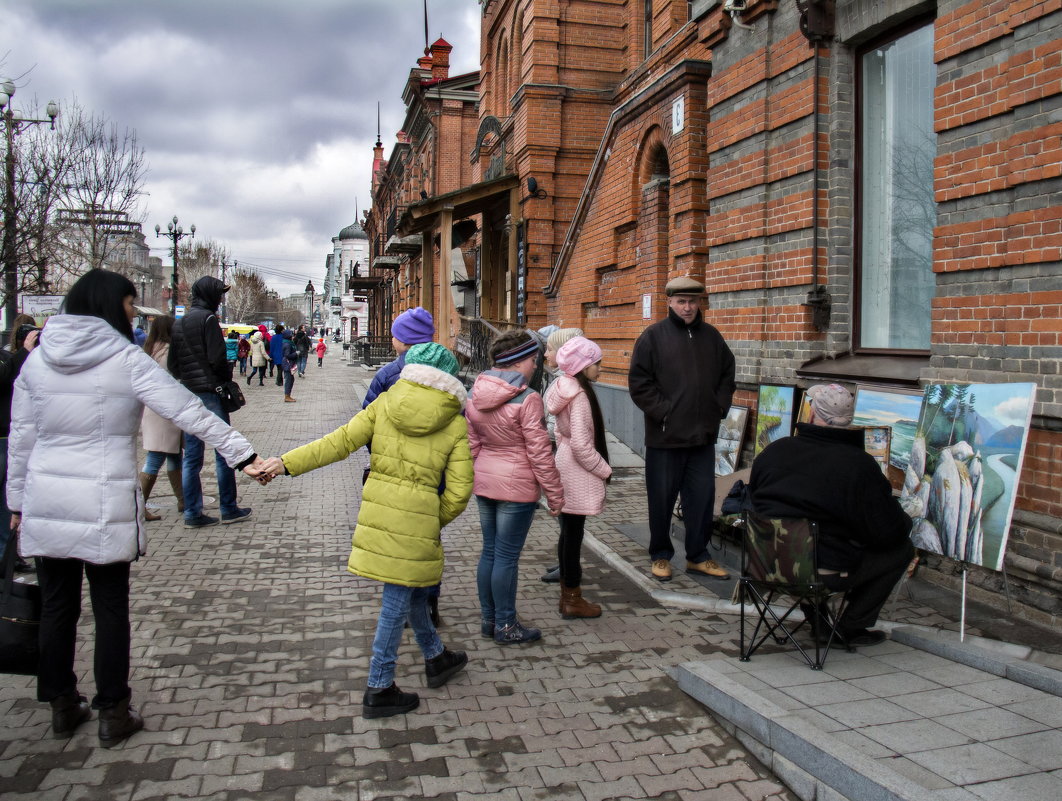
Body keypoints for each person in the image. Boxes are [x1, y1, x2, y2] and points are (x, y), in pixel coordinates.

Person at [7, 269, 267, 747]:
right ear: (109, 307)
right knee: (109, 608)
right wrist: (242, 455)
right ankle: (113, 711)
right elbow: (186, 408)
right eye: (129, 305)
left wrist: (16, 502)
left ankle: (62, 703)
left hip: (46, 497)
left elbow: (22, 437)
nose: (133, 314)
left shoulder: (38, 361)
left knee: (59, 605)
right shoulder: (123, 358)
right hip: (102, 498)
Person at [258, 343, 473, 719]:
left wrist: (285, 463)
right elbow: (459, 490)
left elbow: (338, 443)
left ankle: (436, 656)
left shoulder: (385, 403)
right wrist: (431, 520)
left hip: (380, 513)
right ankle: (380, 685)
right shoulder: (454, 420)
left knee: (412, 590)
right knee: (396, 599)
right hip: (419, 519)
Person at [748, 383, 915, 647]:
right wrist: (905, 520)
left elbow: (753, 501)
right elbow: (887, 533)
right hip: (820, 573)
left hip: (764, 563)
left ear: (812, 414)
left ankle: (819, 622)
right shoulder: (858, 465)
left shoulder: (775, 451)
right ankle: (850, 626)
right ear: (849, 421)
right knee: (901, 549)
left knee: (810, 545)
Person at [628, 275, 736, 582]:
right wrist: (664, 412)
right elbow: (639, 382)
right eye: (681, 302)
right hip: (665, 438)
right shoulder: (653, 337)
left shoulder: (712, 337)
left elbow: (728, 373)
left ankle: (698, 556)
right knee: (661, 500)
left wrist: (719, 406)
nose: (687, 308)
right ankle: (660, 555)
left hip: (702, 438)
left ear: (699, 303)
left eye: (692, 302)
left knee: (700, 500)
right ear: (670, 303)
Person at [466, 330, 564, 644]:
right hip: (517, 488)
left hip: (486, 482)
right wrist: (555, 493)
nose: (536, 365)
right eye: (533, 359)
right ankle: (506, 626)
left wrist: (475, 476)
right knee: (507, 557)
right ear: (518, 361)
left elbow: (472, 445)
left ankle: (488, 620)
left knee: (490, 553)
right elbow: (539, 452)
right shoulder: (527, 398)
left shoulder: (473, 394)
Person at [169, 276, 253, 528]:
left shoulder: (179, 323)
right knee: (223, 450)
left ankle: (192, 512)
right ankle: (228, 507)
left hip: (188, 394)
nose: (221, 299)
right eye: (219, 294)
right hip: (210, 393)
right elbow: (217, 359)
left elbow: (173, 364)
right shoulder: (208, 320)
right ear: (208, 295)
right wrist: (223, 381)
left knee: (192, 456)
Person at [544, 336, 612, 619]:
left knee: (568, 534)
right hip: (578, 471)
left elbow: (563, 435)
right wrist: (605, 470)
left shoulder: (563, 389)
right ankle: (572, 597)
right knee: (573, 536)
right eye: (596, 363)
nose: (599, 368)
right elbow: (584, 446)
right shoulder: (580, 396)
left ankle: (567, 596)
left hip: (565, 466)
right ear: (584, 366)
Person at [538, 326, 583, 584]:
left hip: (566, 456)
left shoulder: (569, 385)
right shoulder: (560, 379)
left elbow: (562, 425)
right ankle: (566, 562)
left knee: (570, 521)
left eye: (551, 349)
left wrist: (548, 439)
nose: (546, 353)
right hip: (560, 454)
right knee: (565, 519)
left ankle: (570, 570)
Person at [1, 314, 41, 572]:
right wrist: (24, 353)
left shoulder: (7, 357)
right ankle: (6, 556)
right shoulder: (9, 358)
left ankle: (9, 554)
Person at [138, 316, 183, 522]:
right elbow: (171, 381)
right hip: (164, 412)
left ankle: (184, 500)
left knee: (174, 455)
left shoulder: (150, 350)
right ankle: (138, 506)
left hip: (158, 411)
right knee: (155, 458)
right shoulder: (165, 352)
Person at [362, 307, 435, 408]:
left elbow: (368, 413)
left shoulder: (387, 375)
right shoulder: (446, 371)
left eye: (395, 336)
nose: (392, 340)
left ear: (404, 340)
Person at [281, 328, 297, 402]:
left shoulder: (287, 343)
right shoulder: (287, 344)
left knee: (291, 379)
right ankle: (287, 396)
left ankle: (288, 395)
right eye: (291, 335)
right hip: (287, 363)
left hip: (288, 363)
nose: (293, 336)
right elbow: (287, 355)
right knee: (289, 380)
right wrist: (296, 353)